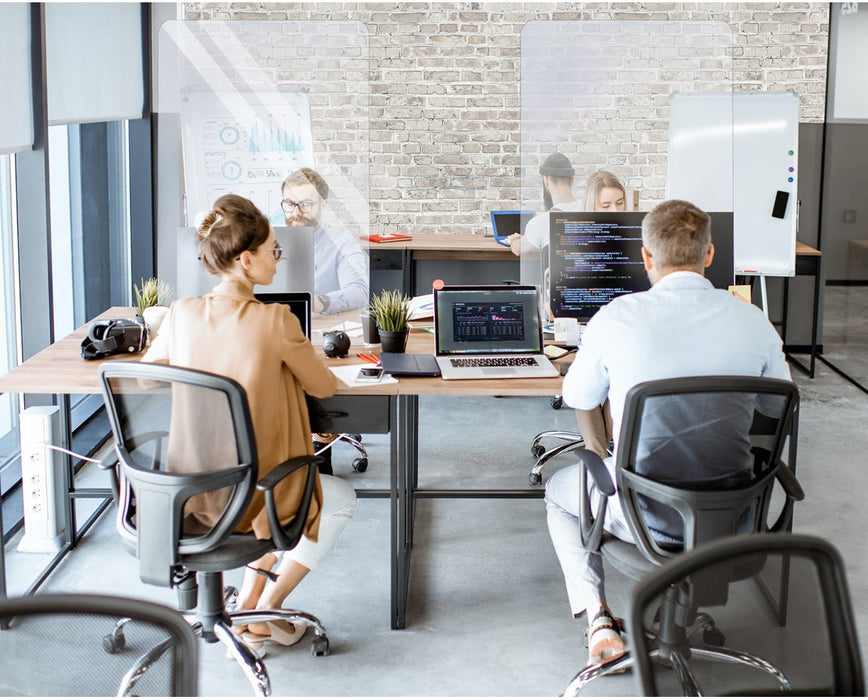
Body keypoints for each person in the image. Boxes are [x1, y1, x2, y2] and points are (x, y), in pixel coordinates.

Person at [544, 199, 791, 668]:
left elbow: (579, 396)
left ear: (646, 257)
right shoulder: (753, 321)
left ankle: (598, 619)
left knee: (559, 496)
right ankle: (680, 614)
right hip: (734, 518)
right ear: (711, 254)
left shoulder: (616, 317)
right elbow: (777, 408)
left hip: (645, 519)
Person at [143, 194, 357, 654]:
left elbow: (148, 373)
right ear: (245, 260)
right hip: (256, 500)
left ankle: (246, 607)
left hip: (188, 498)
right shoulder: (276, 320)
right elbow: (323, 385)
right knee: (337, 497)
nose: (278, 260)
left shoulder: (181, 314)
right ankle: (266, 609)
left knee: (265, 476)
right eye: (272, 250)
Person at [280, 167, 369, 315]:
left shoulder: (342, 245)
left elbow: (360, 293)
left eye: (305, 204)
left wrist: (319, 302)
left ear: (323, 205)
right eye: (289, 204)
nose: (296, 212)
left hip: (322, 330)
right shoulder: (267, 244)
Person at [507, 153, 582, 256]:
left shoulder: (541, 222)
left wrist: (514, 240)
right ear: (572, 181)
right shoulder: (591, 209)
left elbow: (518, 249)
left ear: (546, 180)